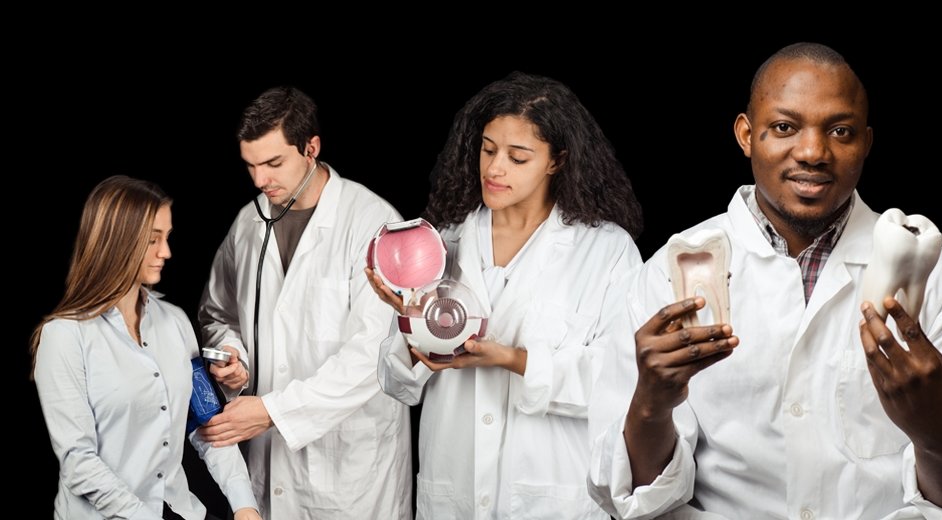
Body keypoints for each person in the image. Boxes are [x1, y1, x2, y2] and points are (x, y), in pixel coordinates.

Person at [585, 42, 942, 519]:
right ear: (746, 135)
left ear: (867, 143)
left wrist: (934, 431)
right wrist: (651, 404)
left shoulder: (937, 278)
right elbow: (629, 496)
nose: (813, 152)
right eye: (784, 127)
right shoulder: (669, 274)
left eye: (840, 131)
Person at [371, 72, 643, 518]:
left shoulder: (606, 251)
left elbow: (619, 382)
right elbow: (397, 383)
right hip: (453, 488)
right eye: (488, 148)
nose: (494, 169)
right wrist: (413, 330)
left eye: (518, 158)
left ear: (557, 161)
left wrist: (513, 359)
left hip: (552, 494)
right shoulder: (444, 242)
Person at [195, 86, 412, 517]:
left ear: (311, 147)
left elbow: (376, 353)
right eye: (251, 166)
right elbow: (217, 313)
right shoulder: (248, 222)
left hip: (350, 468)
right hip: (268, 466)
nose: (260, 181)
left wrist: (274, 411)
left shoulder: (374, 223)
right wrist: (232, 354)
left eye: (274, 163)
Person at [33, 176, 261, 519]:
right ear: (117, 241)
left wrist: (244, 505)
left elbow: (207, 423)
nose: (166, 252)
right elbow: (78, 463)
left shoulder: (175, 322)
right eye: (153, 240)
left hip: (179, 509)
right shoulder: (64, 337)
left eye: (167, 238)